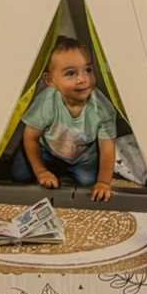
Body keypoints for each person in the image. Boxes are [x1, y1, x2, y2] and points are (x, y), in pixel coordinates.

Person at [9, 36, 116, 202]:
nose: (83, 79)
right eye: (71, 73)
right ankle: (46, 166)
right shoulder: (47, 102)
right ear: (50, 81)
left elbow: (108, 147)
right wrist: (41, 172)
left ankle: (63, 170)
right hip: (47, 150)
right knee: (19, 175)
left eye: (88, 70)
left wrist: (103, 182)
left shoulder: (102, 108)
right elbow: (30, 137)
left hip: (82, 156)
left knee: (88, 181)